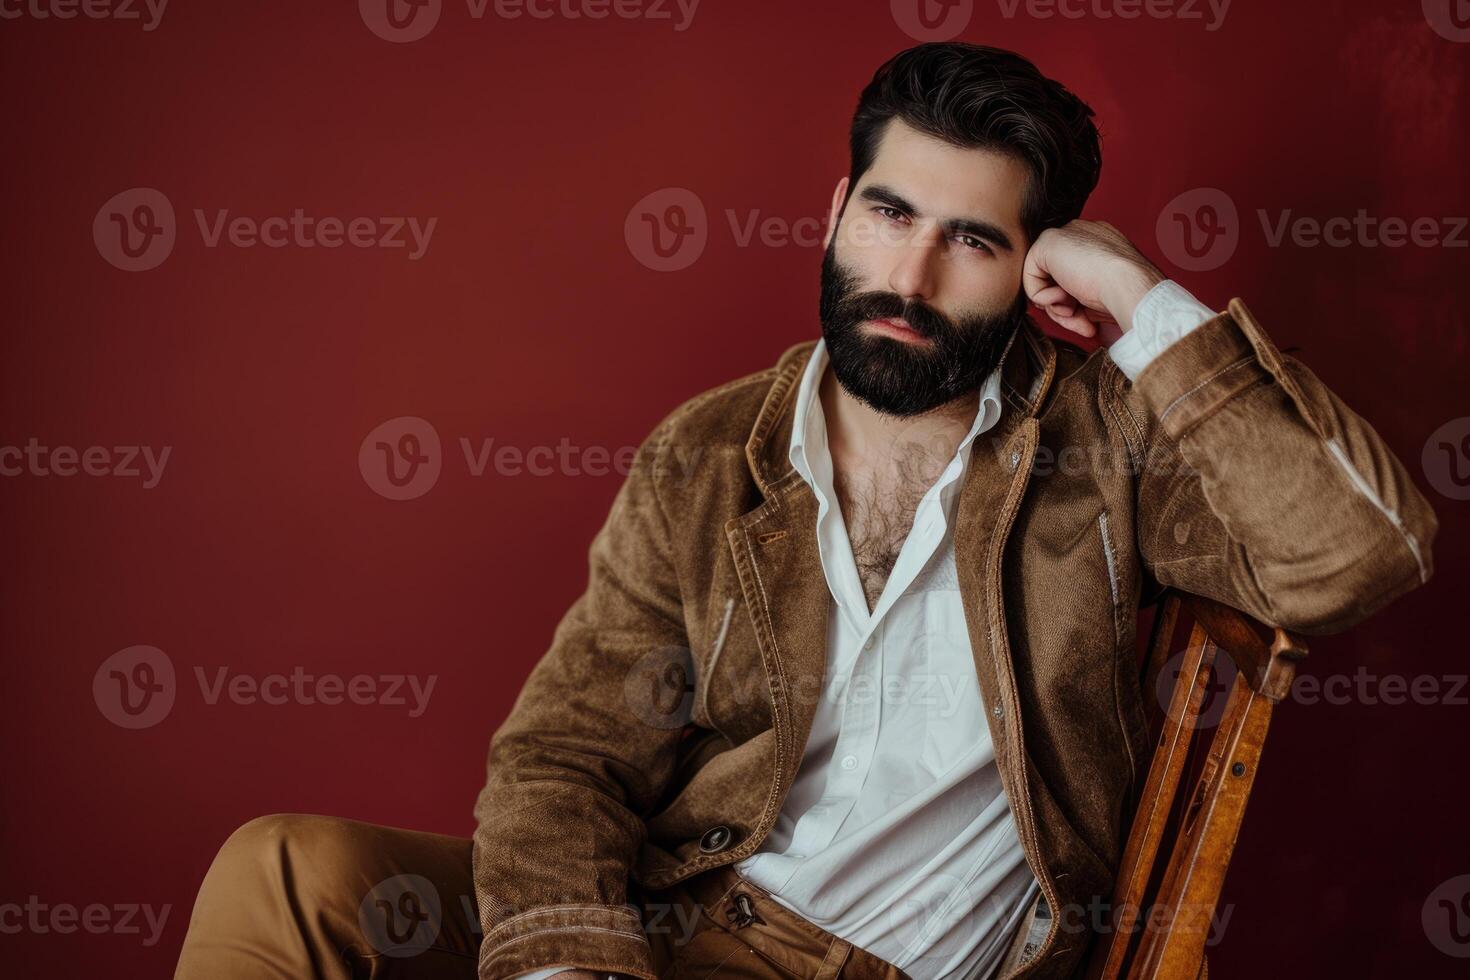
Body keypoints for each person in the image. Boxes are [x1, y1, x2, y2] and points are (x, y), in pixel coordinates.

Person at [174, 42, 1437, 980]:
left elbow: (1361, 554)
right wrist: (575, 964)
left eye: (972, 241)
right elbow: (566, 757)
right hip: (666, 919)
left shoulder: (1107, 449)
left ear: (1037, 267)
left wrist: (1143, 293)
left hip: (883, 965)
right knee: (288, 873)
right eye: (888, 214)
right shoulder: (711, 450)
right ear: (836, 214)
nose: (911, 274)